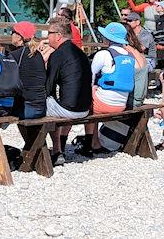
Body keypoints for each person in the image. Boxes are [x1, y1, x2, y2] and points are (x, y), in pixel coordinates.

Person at [78, 22, 135, 157]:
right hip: (121, 104)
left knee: (88, 101)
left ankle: (90, 144)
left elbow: (90, 76)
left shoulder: (104, 54)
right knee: (95, 93)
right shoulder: (129, 56)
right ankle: (95, 142)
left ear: (109, 38)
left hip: (104, 105)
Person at [44, 17, 92, 165]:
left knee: (36, 106)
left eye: (49, 33)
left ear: (58, 35)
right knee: (59, 101)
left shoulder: (57, 55)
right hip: (85, 108)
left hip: (70, 110)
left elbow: (48, 86)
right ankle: (59, 148)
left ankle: (51, 150)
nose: (47, 37)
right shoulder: (80, 53)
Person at [97, 24, 148, 152]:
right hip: (140, 98)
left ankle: (92, 141)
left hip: (131, 101)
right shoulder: (138, 52)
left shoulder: (125, 53)